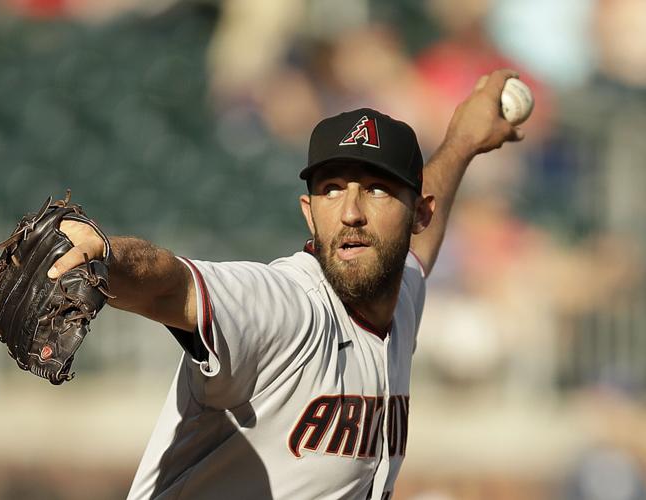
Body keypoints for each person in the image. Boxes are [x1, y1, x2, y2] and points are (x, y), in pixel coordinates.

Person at [47, 69, 525, 499]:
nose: (352, 212)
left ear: (419, 212)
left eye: (376, 189)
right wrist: (107, 257)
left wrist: (462, 142)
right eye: (331, 189)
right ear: (308, 211)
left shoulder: (401, 296)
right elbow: (172, 284)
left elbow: (417, 252)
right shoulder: (287, 305)